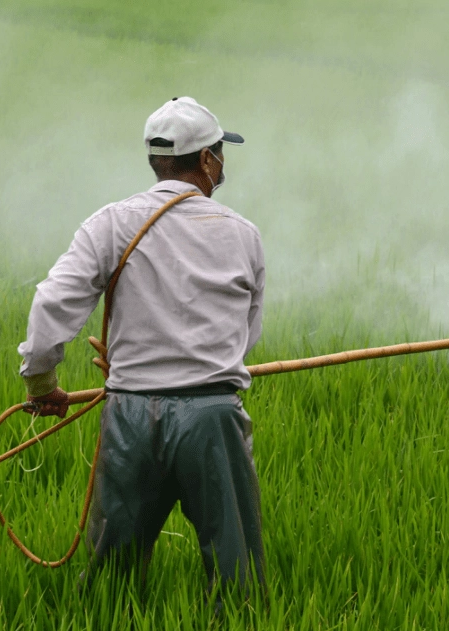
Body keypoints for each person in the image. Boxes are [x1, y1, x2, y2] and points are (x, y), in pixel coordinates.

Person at [16, 97, 266, 600]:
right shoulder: (242, 234)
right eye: (220, 152)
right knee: (238, 576)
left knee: (112, 579)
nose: (222, 163)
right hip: (213, 416)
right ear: (206, 160)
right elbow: (247, 334)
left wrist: (43, 384)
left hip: (130, 414)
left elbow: (52, 303)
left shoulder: (111, 223)